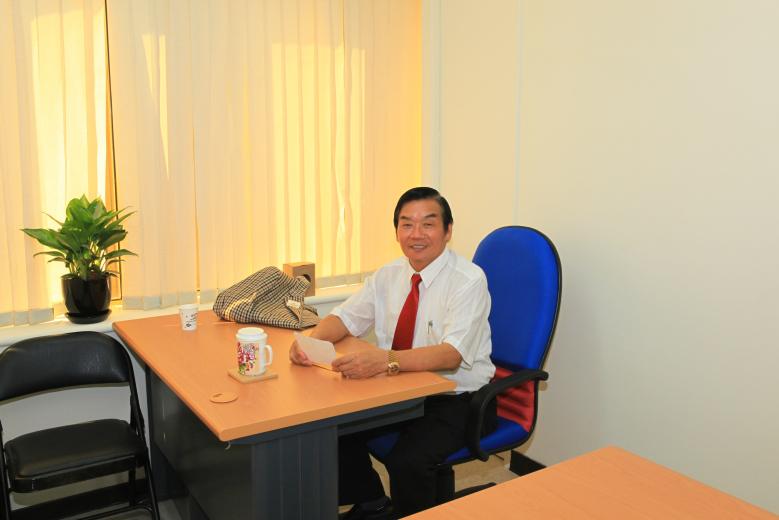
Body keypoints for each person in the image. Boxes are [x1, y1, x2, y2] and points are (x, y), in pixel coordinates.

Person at [290, 187, 496, 518]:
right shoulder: (389, 274)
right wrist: (310, 343)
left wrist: (386, 361)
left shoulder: (468, 280)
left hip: (459, 399)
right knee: (333, 427)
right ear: (397, 231)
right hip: (401, 389)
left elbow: (451, 355)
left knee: (407, 462)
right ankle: (372, 503)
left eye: (428, 224)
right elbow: (345, 317)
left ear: (447, 231)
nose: (416, 234)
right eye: (407, 224)